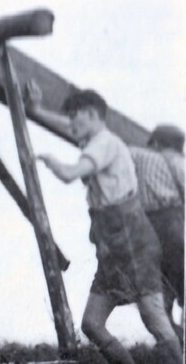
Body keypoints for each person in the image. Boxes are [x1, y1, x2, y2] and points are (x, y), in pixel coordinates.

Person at [29, 86, 182, 364]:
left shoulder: (105, 144)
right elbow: (67, 125)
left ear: (91, 115)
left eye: (76, 117)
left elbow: (69, 174)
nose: (72, 123)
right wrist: (37, 111)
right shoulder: (95, 137)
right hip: (111, 249)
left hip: (134, 244)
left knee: (154, 319)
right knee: (92, 323)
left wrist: (49, 161)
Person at [129, 124, 185, 337]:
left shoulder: (141, 156)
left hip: (154, 231)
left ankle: (176, 344)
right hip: (178, 228)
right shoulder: (181, 164)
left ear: (156, 143)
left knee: (158, 301)